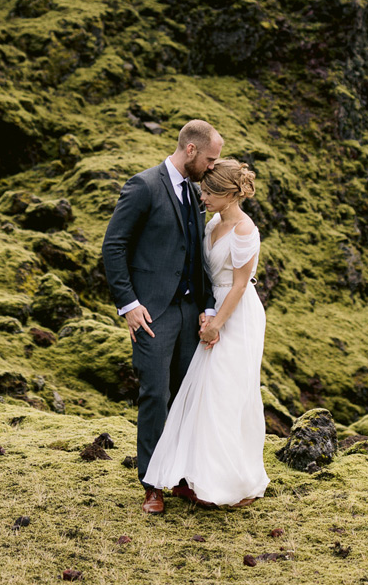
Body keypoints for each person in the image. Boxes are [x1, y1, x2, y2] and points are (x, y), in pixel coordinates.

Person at [102, 120, 223, 515]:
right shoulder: (143, 186)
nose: (212, 166)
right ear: (191, 150)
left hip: (191, 314)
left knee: (190, 397)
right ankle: (152, 483)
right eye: (210, 158)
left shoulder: (194, 191)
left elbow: (199, 257)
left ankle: (185, 479)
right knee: (156, 395)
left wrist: (207, 308)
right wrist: (129, 304)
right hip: (153, 313)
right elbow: (114, 247)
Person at [142, 157, 269, 508]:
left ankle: (233, 481)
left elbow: (240, 286)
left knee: (228, 392)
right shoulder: (213, 222)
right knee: (205, 393)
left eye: (210, 192)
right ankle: (202, 477)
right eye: (203, 189)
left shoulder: (245, 230)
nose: (203, 196)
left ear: (230, 194)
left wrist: (217, 324)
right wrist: (207, 312)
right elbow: (208, 276)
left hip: (238, 316)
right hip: (214, 310)